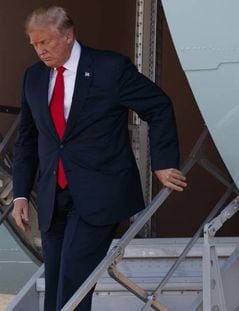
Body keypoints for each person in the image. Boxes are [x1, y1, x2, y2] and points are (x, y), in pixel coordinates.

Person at [11, 6, 187, 311]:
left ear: (67, 35)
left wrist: (162, 162)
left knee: (73, 274)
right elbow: (27, 139)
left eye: (46, 43)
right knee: (55, 279)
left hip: (101, 191)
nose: (40, 51)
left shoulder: (110, 68)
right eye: (35, 45)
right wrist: (21, 194)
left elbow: (158, 106)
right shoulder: (34, 78)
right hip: (54, 195)